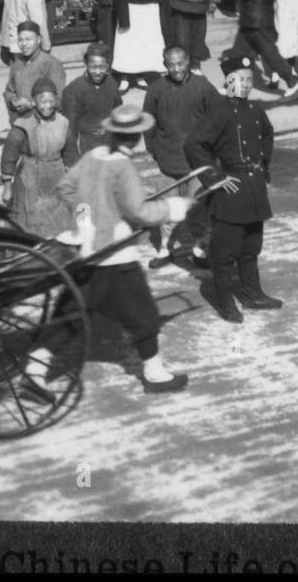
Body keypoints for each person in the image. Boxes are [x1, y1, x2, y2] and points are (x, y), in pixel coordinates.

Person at [20, 104, 193, 397]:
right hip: (115, 256)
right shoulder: (123, 167)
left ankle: (34, 373)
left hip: (84, 251)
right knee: (145, 316)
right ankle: (154, 374)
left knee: (69, 315)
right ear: (137, 136)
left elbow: (66, 188)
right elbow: (139, 212)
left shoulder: (92, 157)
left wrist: (87, 219)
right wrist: (173, 208)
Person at [185, 53, 281, 324]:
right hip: (231, 192)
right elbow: (194, 144)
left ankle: (253, 295)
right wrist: (215, 178)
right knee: (225, 254)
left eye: (250, 79)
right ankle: (225, 302)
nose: (246, 84)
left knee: (251, 247)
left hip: (254, 191)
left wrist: (264, 166)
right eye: (240, 79)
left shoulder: (255, 111)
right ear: (228, 81)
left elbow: (267, 134)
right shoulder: (218, 112)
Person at [143, 45, 218, 266]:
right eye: (171, 64)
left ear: (188, 62)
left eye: (180, 63)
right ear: (165, 64)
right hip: (168, 160)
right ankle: (165, 249)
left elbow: (217, 119)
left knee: (197, 207)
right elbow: (148, 123)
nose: (176, 69)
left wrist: (210, 152)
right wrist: (155, 151)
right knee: (167, 208)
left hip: (196, 161)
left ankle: (200, 248)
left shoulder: (202, 86)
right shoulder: (156, 89)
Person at [0, 76, 72, 237]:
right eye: (42, 101)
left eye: (51, 101)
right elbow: (9, 157)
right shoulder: (22, 125)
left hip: (57, 176)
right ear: (33, 101)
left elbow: (70, 153)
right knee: (29, 221)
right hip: (29, 177)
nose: (47, 106)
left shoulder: (63, 122)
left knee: (59, 219)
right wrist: (7, 187)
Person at [60, 42, 122, 166]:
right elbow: (69, 129)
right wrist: (72, 160)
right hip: (85, 146)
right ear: (86, 64)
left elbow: (118, 111)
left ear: (108, 66)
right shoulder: (75, 89)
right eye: (93, 67)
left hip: (108, 142)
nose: (98, 72)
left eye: (102, 67)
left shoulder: (111, 83)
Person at [3, 21, 66, 124]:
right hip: (22, 119)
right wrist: (13, 101)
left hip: (46, 121)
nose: (24, 44)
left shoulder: (51, 64)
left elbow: (59, 99)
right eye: (20, 40)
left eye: (28, 39)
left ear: (38, 40)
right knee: (14, 138)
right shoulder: (17, 64)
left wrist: (31, 104)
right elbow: (9, 91)